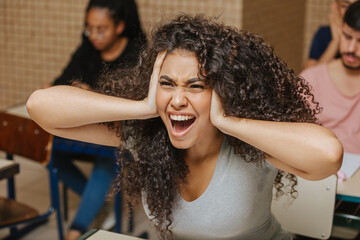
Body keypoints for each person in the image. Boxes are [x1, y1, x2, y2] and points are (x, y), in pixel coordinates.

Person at [27, 15, 343, 240]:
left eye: (195, 86)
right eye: (167, 84)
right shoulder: (148, 133)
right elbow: (40, 106)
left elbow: (328, 155)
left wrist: (226, 120)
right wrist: (143, 108)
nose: (177, 99)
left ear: (223, 90)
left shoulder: (250, 145)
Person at [48, 0, 146, 239]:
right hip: (85, 134)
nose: (93, 35)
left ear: (120, 26)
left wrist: (86, 94)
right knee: (47, 152)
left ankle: (76, 231)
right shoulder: (88, 50)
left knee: (110, 156)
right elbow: (59, 85)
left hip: (121, 139)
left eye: (101, 29)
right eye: (89, 28)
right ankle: (101, 203)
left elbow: (131, 106)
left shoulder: (137, 54)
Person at [301, 1, 360, 156]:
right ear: (340, 30)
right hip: (318, 168)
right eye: (347, 37)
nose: (352, 48)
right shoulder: (312, 79)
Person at [305, 0, 358, 69]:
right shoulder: (324, 33)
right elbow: (307, 76)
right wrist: (335, 42)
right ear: (335, 7)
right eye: (346, 6)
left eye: (357, 7)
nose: (352, 12)